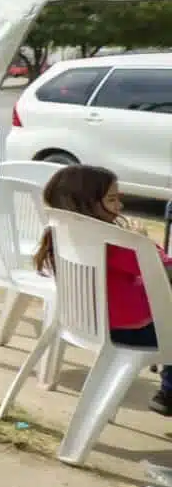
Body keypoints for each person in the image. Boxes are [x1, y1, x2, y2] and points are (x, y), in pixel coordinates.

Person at [34, 164, 172, 415]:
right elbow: (162, 268)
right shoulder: (114, 243)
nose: (119, 206)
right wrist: (142, 240)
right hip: (130, 331)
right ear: (85, 204)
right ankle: (168, 392)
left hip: (88, 323)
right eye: (111, 199)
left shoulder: (63, 233)